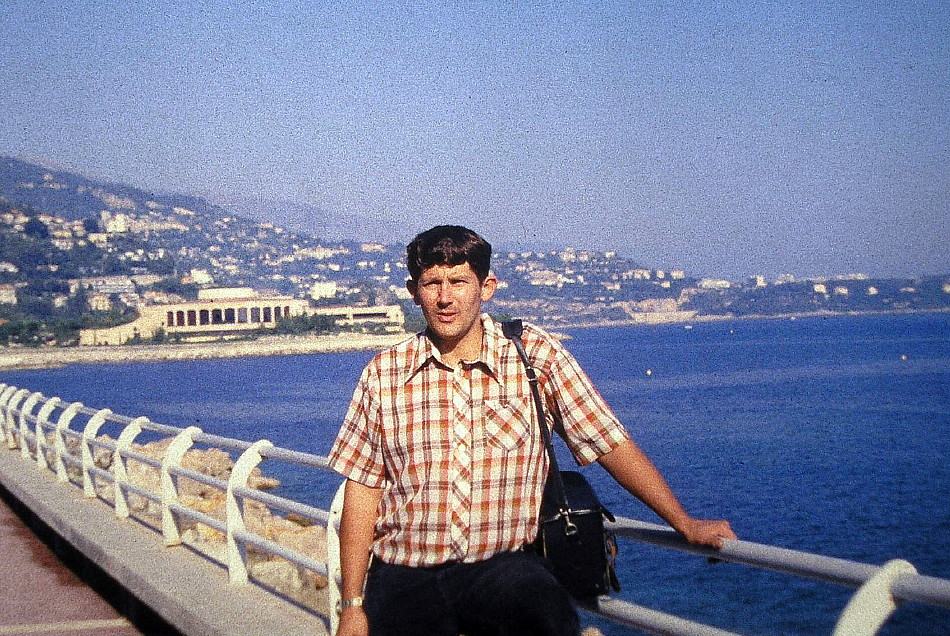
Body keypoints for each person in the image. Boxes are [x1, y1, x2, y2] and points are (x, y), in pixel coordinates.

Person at [328, 225, 736, 636]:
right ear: (414, 291)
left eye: (458, 282)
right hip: (404, 574)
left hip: (502, 568)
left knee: (545, 613)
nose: (445, 297)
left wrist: (683, 521)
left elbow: (608, 442)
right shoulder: (384, 374)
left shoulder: (533, 357)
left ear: (487, 287)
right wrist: (352, 606)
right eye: (432, 283)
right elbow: (363, 489)